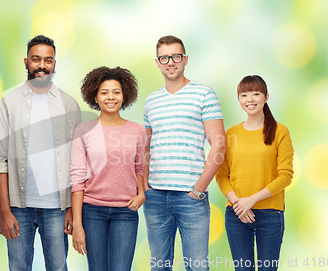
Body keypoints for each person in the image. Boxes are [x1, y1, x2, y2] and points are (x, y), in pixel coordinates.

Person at [0, 35, 81, 271]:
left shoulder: (69, 105)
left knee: (58, 267)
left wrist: (72, 208)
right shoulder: (8, 104)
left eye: (48, 60)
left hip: (57, 207)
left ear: (54, 64)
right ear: (25, 62)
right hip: (18, 207)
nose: (42, 65)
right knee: (18, 267)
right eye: (36, 59)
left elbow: (76, 162)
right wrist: (4, 210)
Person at [143, 35, 226, 271]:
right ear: (157, 62)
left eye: (176, 56)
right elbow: (147, 148)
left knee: (197, 267)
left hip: (191, 197)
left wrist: (198, 190)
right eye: (164, 57)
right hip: (156, 197)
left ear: (185, 59)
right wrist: (147, 186)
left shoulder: (204, 95)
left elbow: (219, 145)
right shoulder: (151, 102)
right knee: (159, 266)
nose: (171, 62)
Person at [70, 66, 146, 271]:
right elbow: (77, 179)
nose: (110, 97)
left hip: (126, 211)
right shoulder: (83, 131)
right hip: (92, 211)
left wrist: (142, 194)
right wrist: (77, 225)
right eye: (104, 92)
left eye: (116, 92)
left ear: (124, 96)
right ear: (95, 97)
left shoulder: (137, 131)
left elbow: (139, 166)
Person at [216, 75, 293, 271]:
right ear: (239, 99)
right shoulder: (230, 133)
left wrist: (251, 200)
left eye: (255, 94)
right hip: (236, 214)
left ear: (266, 97)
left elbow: (285, 176)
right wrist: (238, 203)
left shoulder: (280, 131)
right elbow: (222, 175)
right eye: (244, 95)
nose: (249, 99)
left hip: (270, 214)